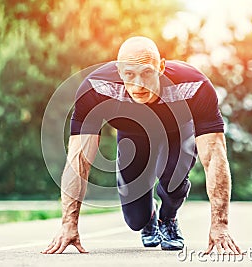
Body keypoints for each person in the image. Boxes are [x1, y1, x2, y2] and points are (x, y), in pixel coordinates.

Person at [42, 36, 241, 254]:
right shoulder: (96, 88)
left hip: (176, 133)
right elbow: (78, 160)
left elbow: (214, 157)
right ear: (118, 71)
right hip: (132, 138)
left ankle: (169, 219)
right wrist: (68, 224)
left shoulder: (194, 85)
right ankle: (150, 217)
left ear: (161, 67)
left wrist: (220, 226)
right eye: (129, 74)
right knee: (136, 220)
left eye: (147, 72)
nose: (138, 84)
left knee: (172, 180)